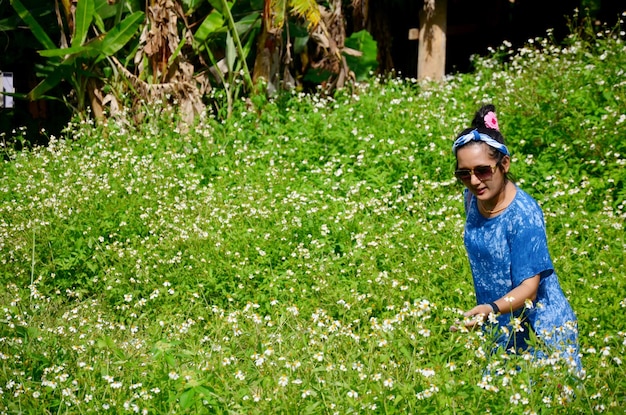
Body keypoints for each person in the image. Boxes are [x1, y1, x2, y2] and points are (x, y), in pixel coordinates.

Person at [451, 104, 582, 374]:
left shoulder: (524, 215)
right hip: (502, 323)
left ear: (504, 164)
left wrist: (490, 308)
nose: (474, 180)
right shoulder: (474, 198)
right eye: (464, 173)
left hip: (540, 333)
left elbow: (529, 288)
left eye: (483, 170)